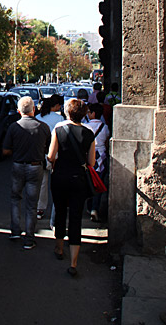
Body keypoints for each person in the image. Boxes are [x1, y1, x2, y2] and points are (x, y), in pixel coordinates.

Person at [47, 98, 95, 276]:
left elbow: (52, 156)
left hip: (60, 176)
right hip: (79, 179)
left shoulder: (59, 130)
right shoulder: (89, 134)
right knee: (75, 217)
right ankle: (74, 262)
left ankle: (59, 249)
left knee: (60, 212)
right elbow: (91, 161)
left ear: (67, 112)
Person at [3, 96, 51, 249]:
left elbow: (5, 150)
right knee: (32, 204)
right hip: (36, 166)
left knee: (15, 198)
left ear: (18, 111)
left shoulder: (14, 127)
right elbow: (48, 148)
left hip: (18, 165)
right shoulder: (43, 127)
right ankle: (29, 238)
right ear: (34, 109)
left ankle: (15, 230)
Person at [35, 95, 64, 220]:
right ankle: (56, 210)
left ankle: (39, 208)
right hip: (56, 153)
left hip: (41, 153)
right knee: (57, 184)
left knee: (42, 182)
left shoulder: (38, 118)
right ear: (56, 106)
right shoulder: (59, 118)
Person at [85, 103, 110, 221]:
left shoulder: (86, 126)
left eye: (89, 112)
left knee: (88, 183)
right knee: (98, 184)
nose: (87, 114)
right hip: (101, 159)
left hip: (88, 158)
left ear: (93, 113)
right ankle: (95, 208)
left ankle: (89, 206)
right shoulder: (104, 127)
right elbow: (106, 142)